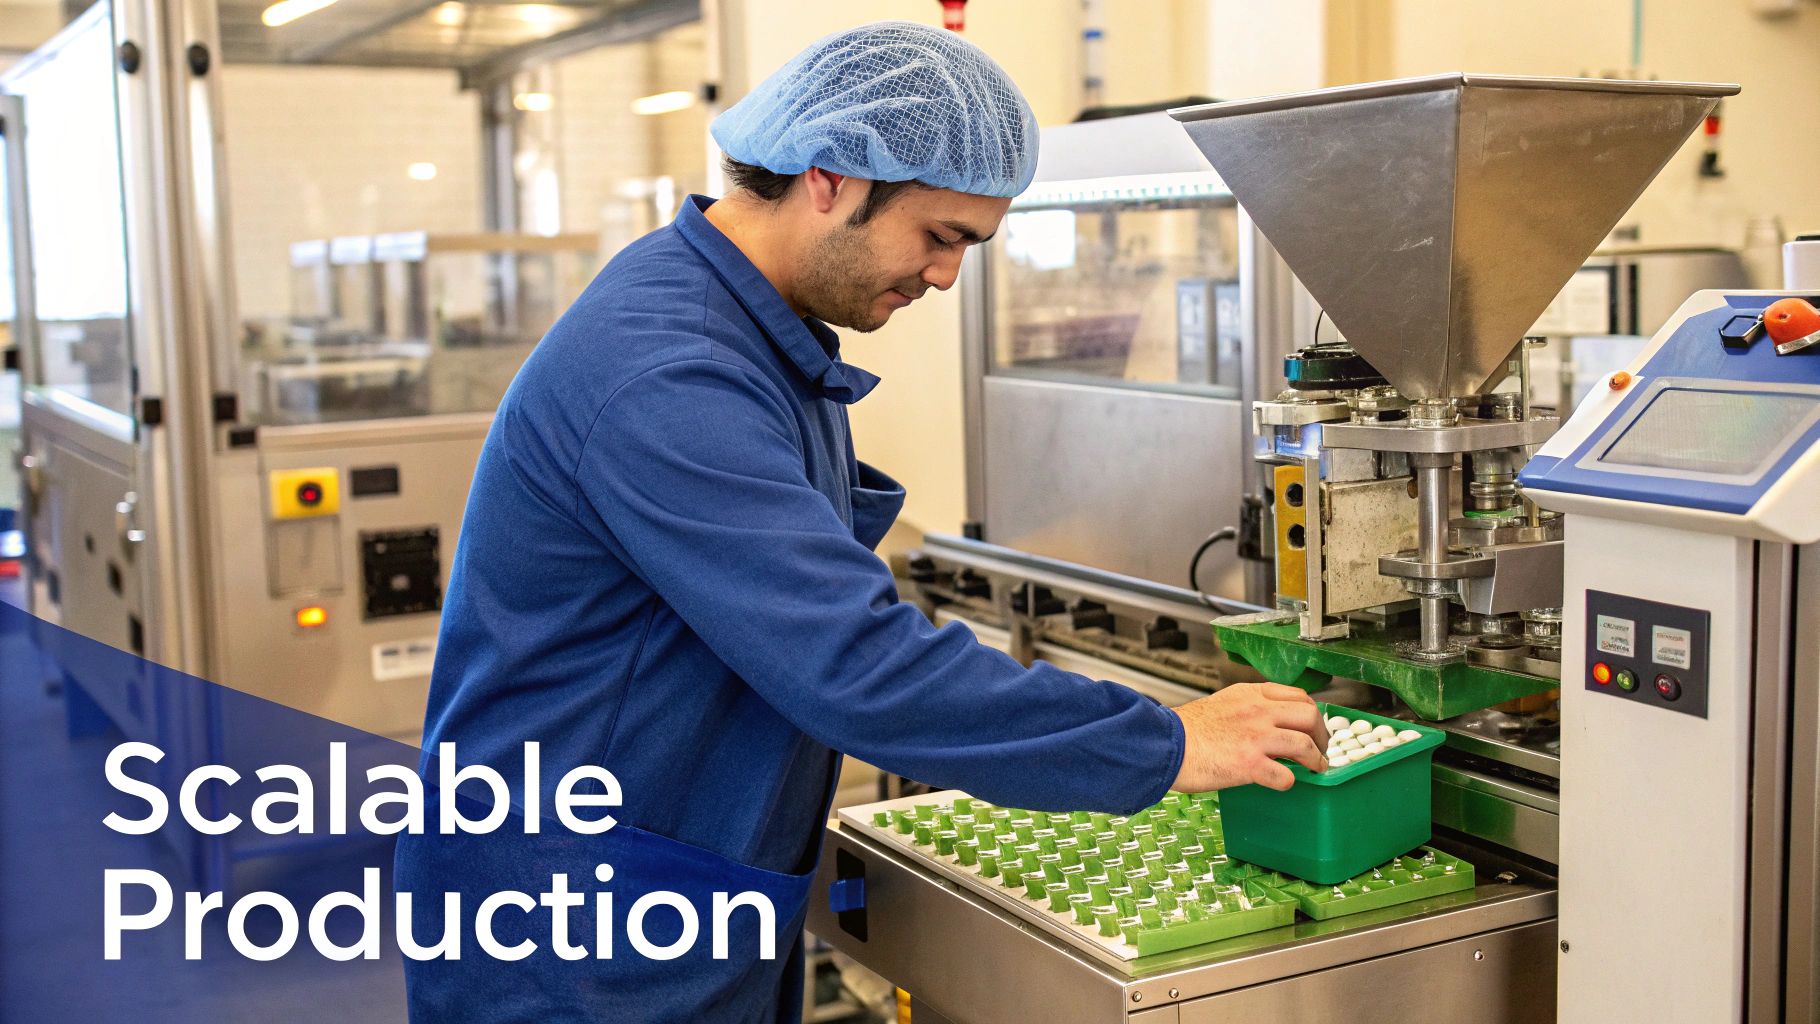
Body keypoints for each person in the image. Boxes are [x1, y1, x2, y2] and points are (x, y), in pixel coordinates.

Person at [394, 20, 1328, 1023]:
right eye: (938, 237)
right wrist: (1164, 742)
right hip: (573, 941)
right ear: (830, 174)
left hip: (668, 890)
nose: (945, 278)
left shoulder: (754, 331)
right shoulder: (669, 371)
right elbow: (852, 663)